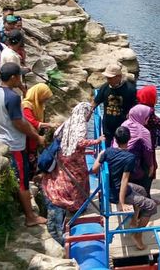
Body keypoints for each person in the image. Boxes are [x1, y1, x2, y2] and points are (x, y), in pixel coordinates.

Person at [0, 62, 46, 227]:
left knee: (19, 177)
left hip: (0, 138)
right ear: (14, 77)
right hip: (13, 143)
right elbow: (18, 123)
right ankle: (30, 217)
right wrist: (36, 137)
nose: (21, 79)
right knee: (22, 180)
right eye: (19, 76)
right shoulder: (13, 97)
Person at [42, 102, 103, 246]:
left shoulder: (69, 121)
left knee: (67, 178)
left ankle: (72, 203)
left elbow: (57, 134)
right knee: (78, 180)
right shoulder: (80, 123)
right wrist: (96, 141)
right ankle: (76, 205)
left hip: (64, 155)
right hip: (75, 158)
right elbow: (80, 142)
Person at [92, 126, 157, 250]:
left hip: (109, 188)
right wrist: (121, 203)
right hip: (118, 193)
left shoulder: (107, 152)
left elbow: (94, 169)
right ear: (129, 139)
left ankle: (133, 221)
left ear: (115, 139)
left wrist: (101, 154)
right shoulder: (129, 157)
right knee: (151, 205)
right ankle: (137, 235)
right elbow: (124, 180)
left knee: (142, 190)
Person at [93, 62, 137, 144]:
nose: (108, 80)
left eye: (110, 78)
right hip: (108, 127)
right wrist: (88, 113)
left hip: (123, 128)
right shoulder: (105, 87)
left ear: (119, 77)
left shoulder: (130, 89)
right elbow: (96, 101)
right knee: (108, 147)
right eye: (107, 77)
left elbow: (135, 106)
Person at [118, 104, 155, 195]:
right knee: (147, 172)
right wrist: (151, 166)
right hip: (134, 168)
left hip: (119, 163)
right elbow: (148, 152)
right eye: (147, 117)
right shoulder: (143, 131)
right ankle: (145, 199)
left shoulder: (124, 124)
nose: (147, 120)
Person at [21, 83, 54, 175]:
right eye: (45, 97)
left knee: (34, 156)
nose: (45, 100)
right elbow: (31, 121)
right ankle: (29, 178)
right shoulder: (26, 105)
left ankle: (33, 175)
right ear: (39, 94)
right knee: (29, 157)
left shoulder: (38, 105)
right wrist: (48, 125)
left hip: (34, 137)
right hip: (28, 137)